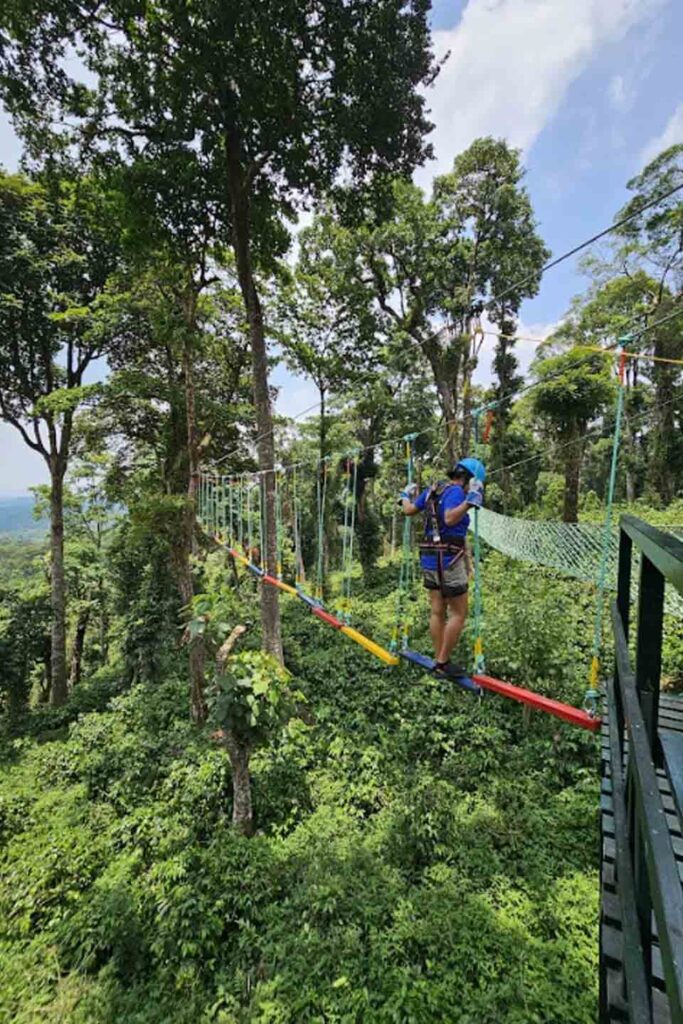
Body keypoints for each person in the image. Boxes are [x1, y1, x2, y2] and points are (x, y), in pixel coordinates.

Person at [399, 458, 485, 676]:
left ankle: (440, 660)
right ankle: (443, 662)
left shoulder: (433, 490)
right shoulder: (457, 492)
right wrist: (470, 501)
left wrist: (404, 496)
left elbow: (408, 510)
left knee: (438, 610)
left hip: (430, 558)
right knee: (459, 613)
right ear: (468, 479)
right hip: (447, 559)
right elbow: (449, 519)